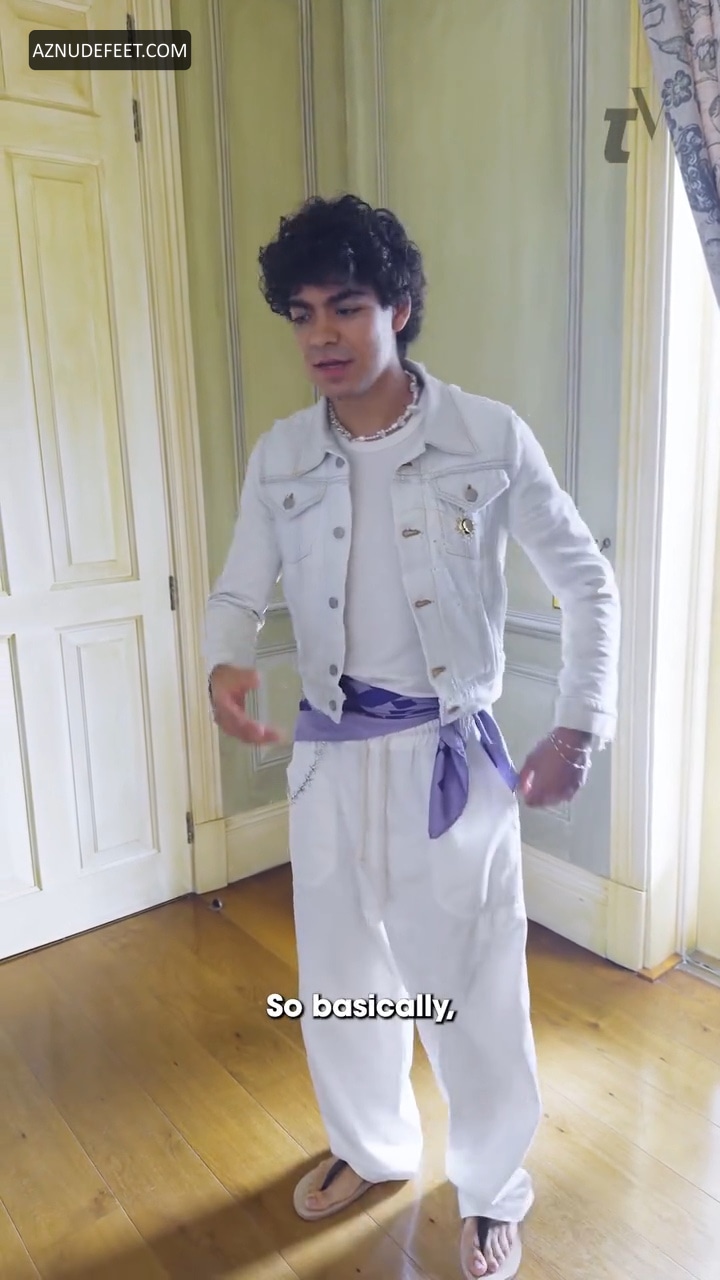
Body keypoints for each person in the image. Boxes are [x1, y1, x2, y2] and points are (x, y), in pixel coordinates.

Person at [204, 194, 621, 1280]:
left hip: (449, 759)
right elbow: (238, 590)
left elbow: (587, 581)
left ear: (398, 307)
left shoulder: (487, 435)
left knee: (475, 987)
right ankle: (372, 1145)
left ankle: (491, 1187)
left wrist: (579, 724)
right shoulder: (282, 454)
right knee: (343, 978)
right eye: (302, 314)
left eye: (345, 306)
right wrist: (225, 660)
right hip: (326, 760)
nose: (322, 335)